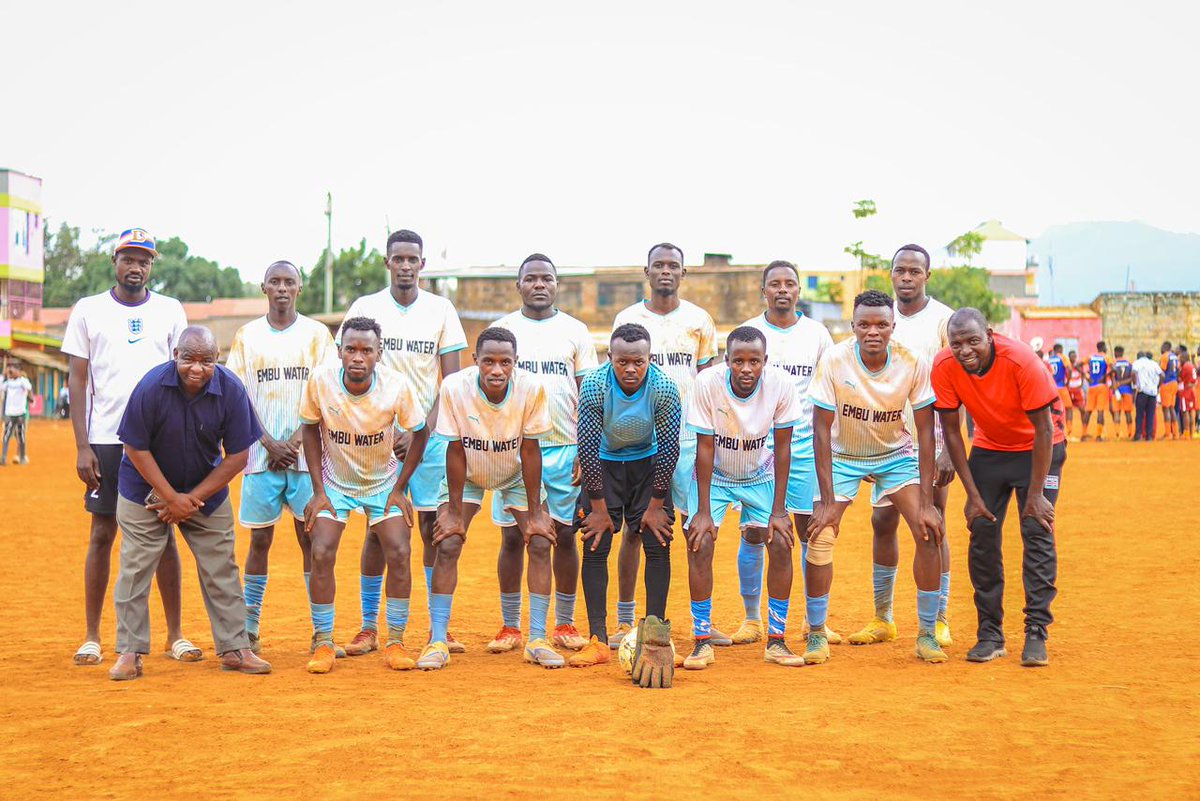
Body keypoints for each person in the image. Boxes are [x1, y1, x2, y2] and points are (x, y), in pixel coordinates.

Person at [61, 228, 197, 667]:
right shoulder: (89, 310)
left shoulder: (171, 310)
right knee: (102, 534)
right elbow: (77, 379)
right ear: (115, 262)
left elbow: (182, 373)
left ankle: (174, 634)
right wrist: (83, 446)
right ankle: (91, 636)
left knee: (164, 535)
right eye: (128, 258)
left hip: (159, 444)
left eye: (144, 260)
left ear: (151, 266)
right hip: (106, 439)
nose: (135, 267)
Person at [109, 326, 270, 680]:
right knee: (136, 567)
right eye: (189, 359)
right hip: (144, 488)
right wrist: (170, 498)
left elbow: (238, 456)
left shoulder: (231, 390)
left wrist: (190, 500)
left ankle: (234, 648)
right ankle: (130, 652)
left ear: (217, 360)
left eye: (206, 361)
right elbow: (135, 447)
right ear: (175, 356)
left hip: (204, 490)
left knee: (221, 566)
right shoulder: (151, 387)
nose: (197, 368)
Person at [339, 229, 468, 656]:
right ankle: (368, 626)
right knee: (379, 530)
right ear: (388, 263)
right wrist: (388, 428)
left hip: (427, 438)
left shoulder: (441, 309)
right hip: (376, 439)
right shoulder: (366, 308)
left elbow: (450, 380)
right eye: (399, 258)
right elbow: (350, 370)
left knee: (432, 529)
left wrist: (421, 429)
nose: (406, 265)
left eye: (413, 258)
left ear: (422, 264)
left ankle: (438, 628)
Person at [805, 290, 946, 666]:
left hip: (895, 456)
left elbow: (926, 429)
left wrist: (929, 503)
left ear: (893, 327)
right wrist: (827, 500)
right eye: (864, 324)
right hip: (842, 456)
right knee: (820, 536)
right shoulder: (834, 360)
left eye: (881, 324)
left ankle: (928, 633)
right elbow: (820, 430)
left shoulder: (912, 361)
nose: (873, 331)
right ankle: (817, 634)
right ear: (852, 326)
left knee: (927, 529)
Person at [932, 308, 1067, 667]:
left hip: (1040, 449)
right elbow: (951, 432)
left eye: (973, 341)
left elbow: (1045, 430)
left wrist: (1036, 495)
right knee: (982, 532)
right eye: (957, 343)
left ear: (989, 335)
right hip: (991, 449)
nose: (965, 350)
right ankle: (990, 633)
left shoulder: (1021, 361)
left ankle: (1036, 630)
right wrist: (973, 497)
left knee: (1035, 530)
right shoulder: (945, 366)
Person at [299, 317, 430, 674]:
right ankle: (324, 641)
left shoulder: (396, 386)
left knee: (400, 550)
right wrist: (318, 490)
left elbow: (421, 432)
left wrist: (401, 488)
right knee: (321, 550)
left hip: (382, 482)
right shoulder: (321, 381)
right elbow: (309, 430)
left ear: (379, 354)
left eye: (366, 350)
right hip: (335, 482)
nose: (358, 357)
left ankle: (396, 641)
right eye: (351, 349)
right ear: (339, 352)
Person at [611, 243, 725, 647]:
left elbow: (710, 381)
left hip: (690, 437)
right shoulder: (628, 319)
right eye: (658, 264)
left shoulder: (699, 320)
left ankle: (702, 622)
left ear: (683, 272)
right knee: (634, 529)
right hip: (639, 440)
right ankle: (626, 619)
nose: (665, 271)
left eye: (673, 265)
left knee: (696, 528)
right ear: (646, 270)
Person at [424, 327, 556, 670]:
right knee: (449, 541)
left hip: (514, 471)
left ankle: (538, 638)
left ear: (516, 363)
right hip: (466, 470)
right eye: (489, 362)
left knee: (540, 541)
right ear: (475, 361)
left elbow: (530, 450)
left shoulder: (531, 388)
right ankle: (437, 639)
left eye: (505, 362)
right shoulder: (454, 387)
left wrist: (536, 513)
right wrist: (453, 511)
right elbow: (454, 449)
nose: (496, 370)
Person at [224, 260, 336, 655]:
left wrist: (292, 442)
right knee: (259, 541)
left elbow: (326, 392)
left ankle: (322, 632)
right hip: (259, 457)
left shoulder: (318, 335)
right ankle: (249, 628)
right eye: (276, 281)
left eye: (290, 282)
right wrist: (268, 441)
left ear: (300, 289)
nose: (282, 288)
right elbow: (237, 395)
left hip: (308, 460)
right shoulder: (246, 336)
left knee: (313, 542)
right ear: (264, 287)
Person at [490, 254, 598, 653]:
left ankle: (565, 624)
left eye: (546, 278)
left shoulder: (576, 331)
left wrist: (587, 451)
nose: (539, 284)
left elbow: (589, 395)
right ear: (518, 285)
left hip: (565, 449)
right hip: (515, 452)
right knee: (513, 539)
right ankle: (510, 625)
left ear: (557, 285)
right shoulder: (502, 330)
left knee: (565, 536)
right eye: (531, 278)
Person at [683, 327, 805, 670]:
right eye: (738, 361)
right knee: (700, 541)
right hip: (716, 475)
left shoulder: (780, 385)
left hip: (760, 473)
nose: (746, 368)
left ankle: (777, 641)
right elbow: (704, 448)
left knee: (781, 541)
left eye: (754, 361)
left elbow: (783, 448)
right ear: (726, 361)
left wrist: (779, 511)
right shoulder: (707, 384)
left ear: (765, 361)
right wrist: (704, 512)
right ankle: (702, 641)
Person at [568, 323, 681, 688]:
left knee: (657, 541)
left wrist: (656, 504)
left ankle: (654, 635)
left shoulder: (663, 387)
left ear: (649, 360)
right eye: (622, 362)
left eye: (638, 361)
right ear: (609, 359)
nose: (630, 369)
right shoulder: (596, 386)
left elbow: (669, 448)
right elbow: (586, 446)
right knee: (596, 543)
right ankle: (599, 639)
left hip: (648, 465)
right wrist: (599, 508)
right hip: (604, 463)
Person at [857, 244, 955, 649]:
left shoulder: (943, 321)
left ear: (927, 276)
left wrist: (950, 446)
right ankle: (884, 618)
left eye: (915, 271)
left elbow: (955, 385)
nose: (907, 277)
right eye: (900, 270)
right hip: (885, 441)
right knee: (881, 522)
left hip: (929, 440)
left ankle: (941, 618)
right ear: (891, 274)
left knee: (932, 525)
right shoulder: (880, 318)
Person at [740, 261, 837, 645]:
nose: (783, 289)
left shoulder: (817, 334)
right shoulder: (750, 332)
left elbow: (830, 392)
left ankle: (815, 621)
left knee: (809, 530)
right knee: (756, 531)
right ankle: (752, 619)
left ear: (798, 291)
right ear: (762, 290)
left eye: (790, 283)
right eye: (775, 284)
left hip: (804, 447)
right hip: (758, 450)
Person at [1, 363, 32, 465]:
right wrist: (5, 375)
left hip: (20, 414)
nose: (11, 372)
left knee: (21, 437)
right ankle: (3, 458)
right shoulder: (8, 382)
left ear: (18, 371)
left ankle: (22, 457)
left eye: (13, 370)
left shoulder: (23, 381)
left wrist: (19, 376)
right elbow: (1, 386)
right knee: (6, 436)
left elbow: (29, 387)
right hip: (9, 414)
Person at [1080, 341, 1110, 441]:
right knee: (1100, 411)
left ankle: (1084, 434)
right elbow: (1114, 368)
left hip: (1092, 386)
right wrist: (1105, 376)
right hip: (1101, 386)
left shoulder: (1090, 357)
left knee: (1088, 411)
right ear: (1104, 347)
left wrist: (1087, 377)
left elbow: (1077, 365)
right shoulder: (1106, 357)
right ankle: (1099, 436)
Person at [1131, 351, 1163, 442]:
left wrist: (1135, 384)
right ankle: (1149, 436)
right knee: (1150, 414)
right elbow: (1162, 375)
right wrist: (1157, 386)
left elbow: (1133, 373)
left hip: (1142, 391)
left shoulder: (1137, 363)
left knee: (1140, 414)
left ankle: (1138, 435)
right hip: (1153, 392)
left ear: (1138, 357)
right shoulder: (1154, 363)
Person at [1110, 346, 1135, 439]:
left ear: (1116, 353)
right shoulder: (1129, 363)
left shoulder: (1113, 363)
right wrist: (1123, 383)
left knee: (1117, 412)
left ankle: (1117, 434)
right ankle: (1130, 433)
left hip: (1117, 391)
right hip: (1127, 390)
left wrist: (1116, 386)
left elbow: (1112, 378)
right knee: (1128, 412)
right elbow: (1132, 377)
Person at [1048, 344, 1073, 433]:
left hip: (1051, 389)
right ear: (1060, 349)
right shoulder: (1063, 357)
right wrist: (1068, 382)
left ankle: (1054, 431)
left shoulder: (1049, 359)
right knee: (1069, 408)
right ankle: (1068, 431)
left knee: (1053, 410)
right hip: (1061, 387)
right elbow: (1069, 369)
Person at [1158, 342, 1180, 439]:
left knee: (1165, 408)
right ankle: (1176, 433)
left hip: (1166, 383)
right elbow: (1178, 370)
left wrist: (1158, 385)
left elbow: (1162, 372)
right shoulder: (1175, 356)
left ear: (1164, 347)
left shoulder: (1164, 356)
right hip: (1175, 383)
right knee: (1172, 407)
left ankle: (1168, 433)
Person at [1179, 351, 1196, 438]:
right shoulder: (1192, 365)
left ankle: (1186, 432)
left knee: (1185, 412)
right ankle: (1192, 432)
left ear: (1184, 358)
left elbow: (1180, 377)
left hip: (1186, 391)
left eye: (1180, 358)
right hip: (1192, 390)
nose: (1179, 360)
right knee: (1192, 410)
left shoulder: (1185, 366)